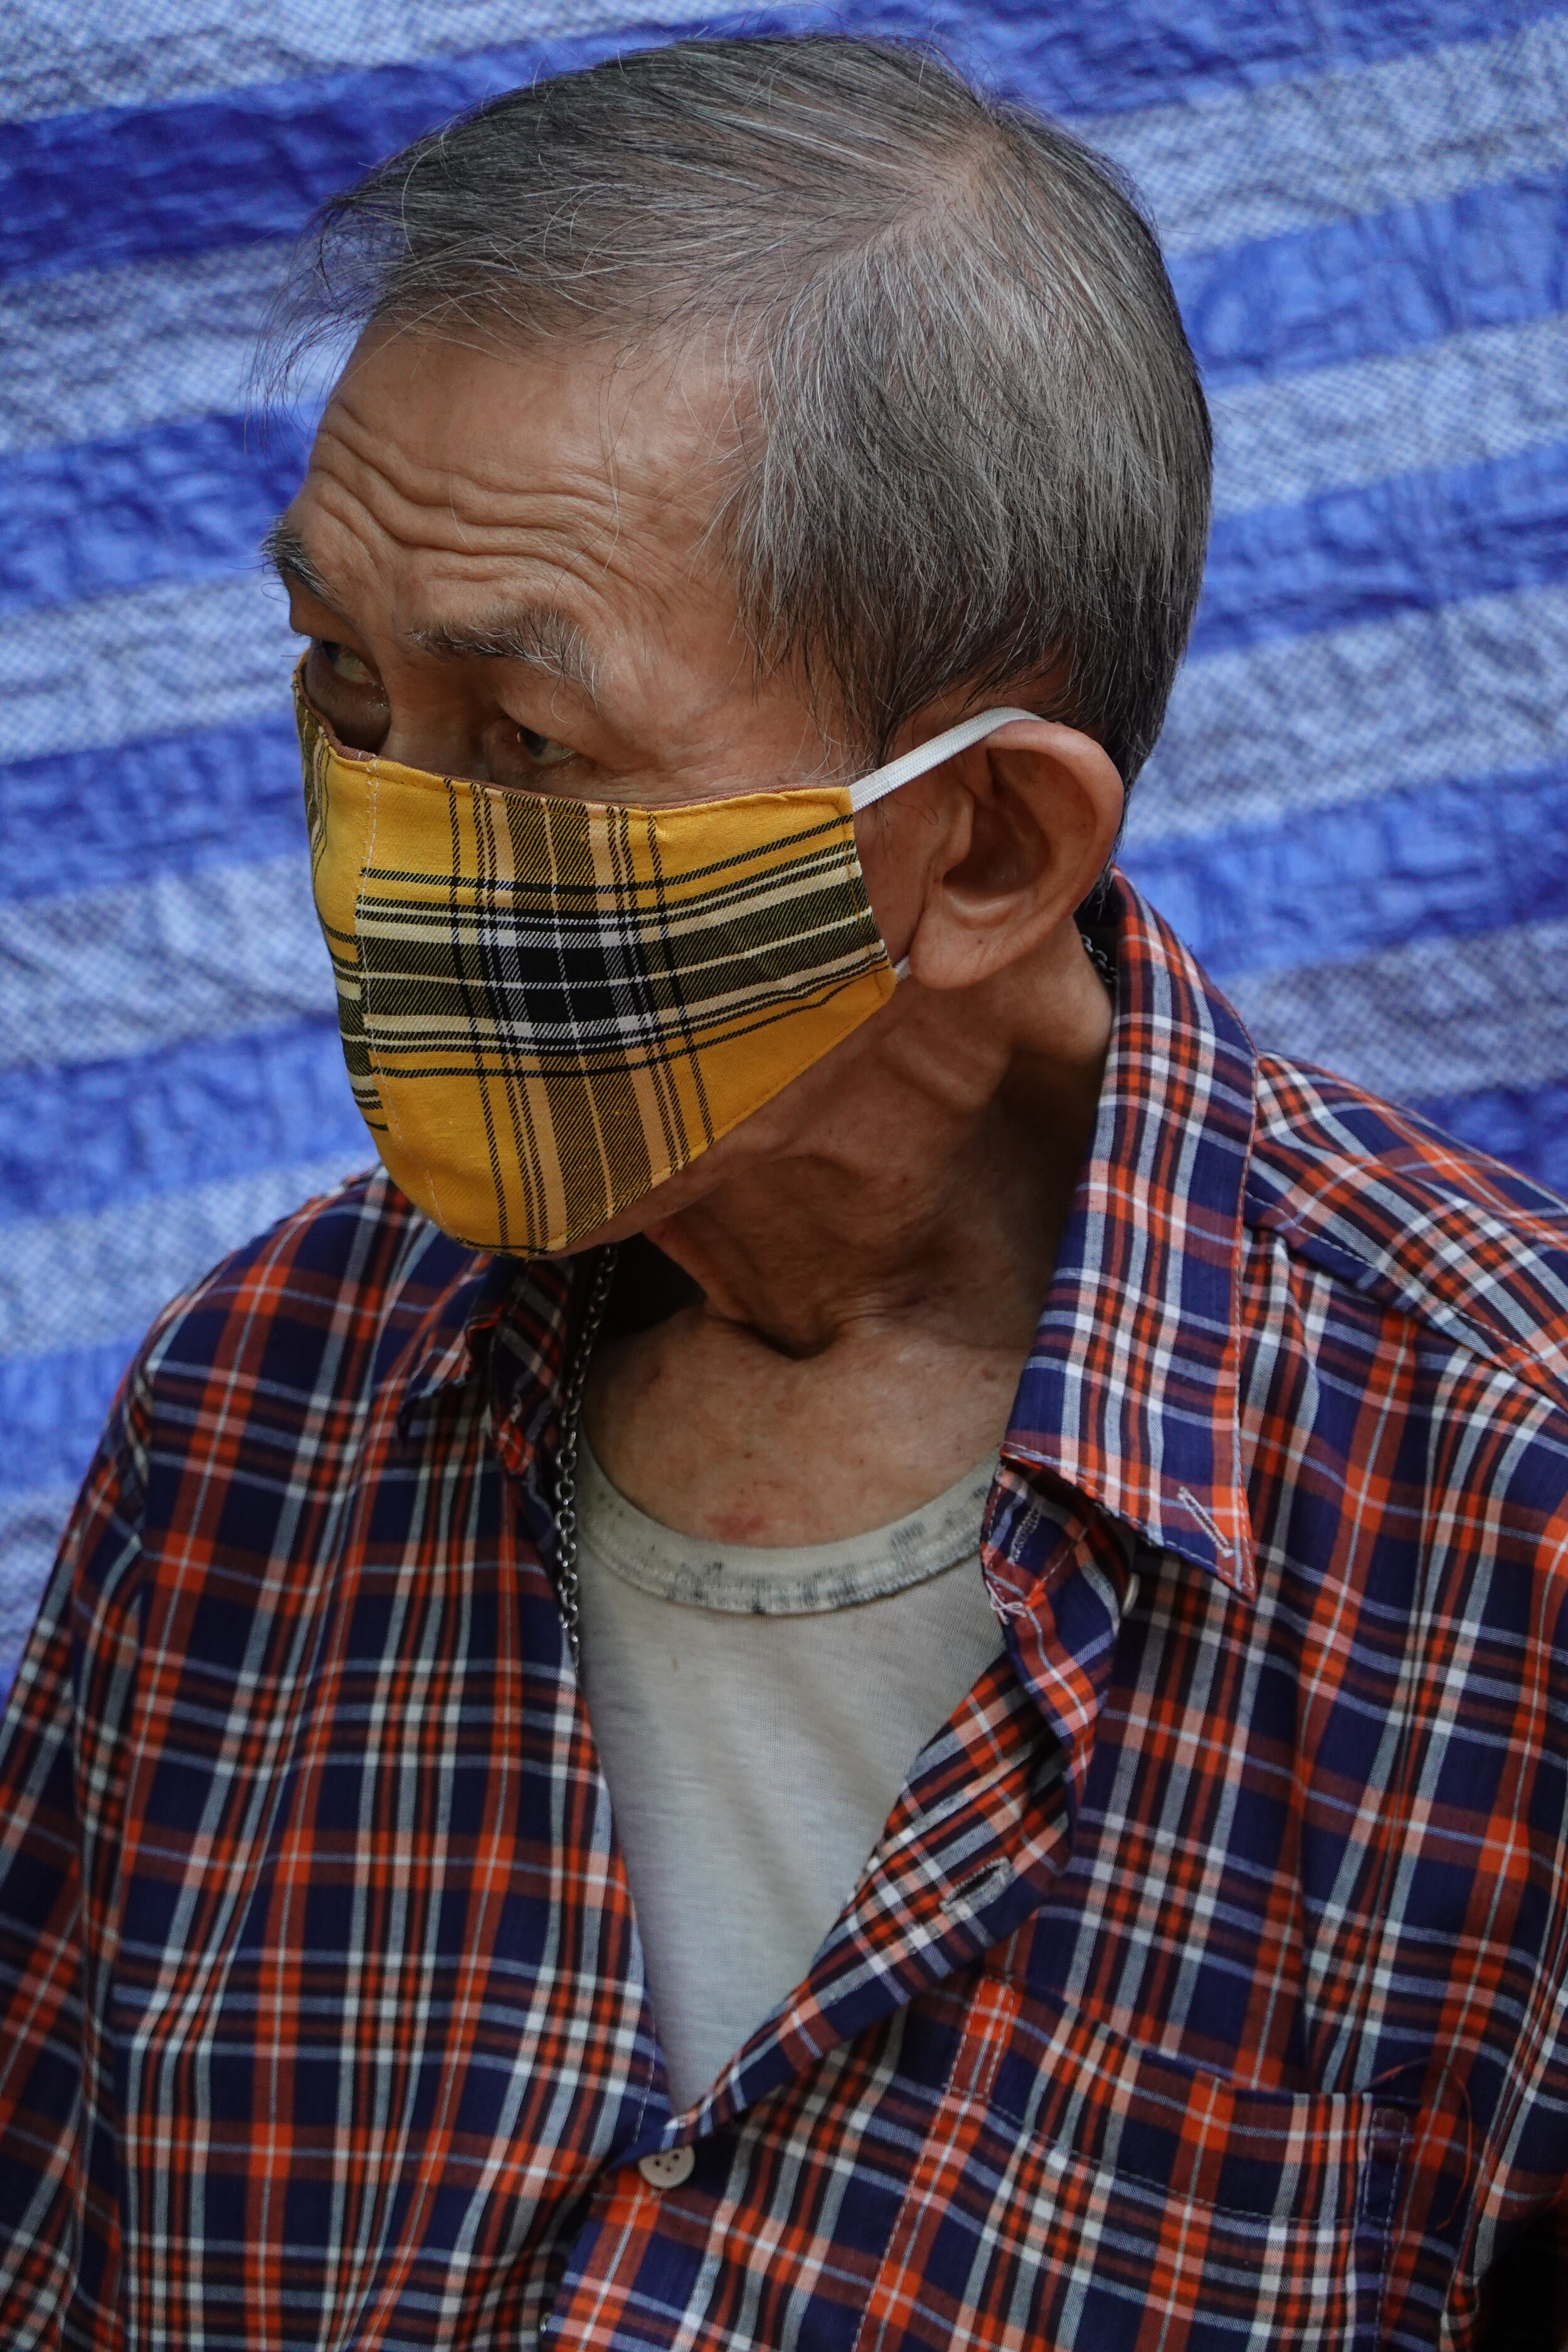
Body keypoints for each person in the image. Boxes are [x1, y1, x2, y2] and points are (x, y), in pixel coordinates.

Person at [1, 33, 1565, 2350]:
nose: (372, 854)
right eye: (343, 693)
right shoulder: (263, 1412)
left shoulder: (1504, 1529)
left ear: (984, 848)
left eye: (528, 746)